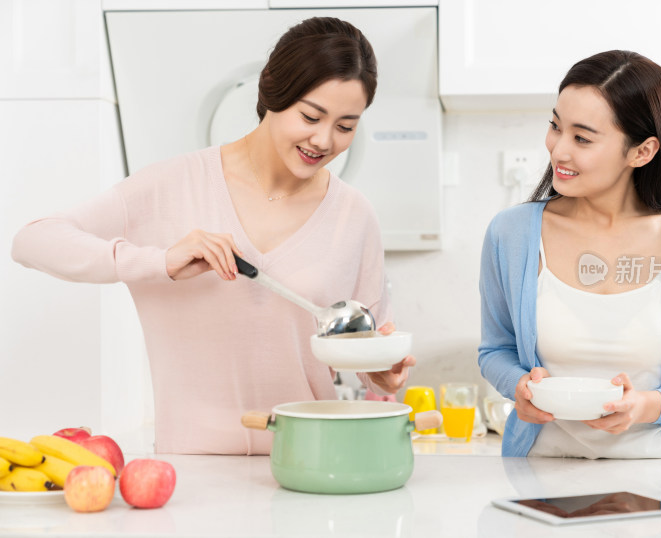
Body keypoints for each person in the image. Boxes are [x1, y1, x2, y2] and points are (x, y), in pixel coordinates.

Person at [11, 17, 414, 455]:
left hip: (313, 460)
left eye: (345, 126)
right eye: (311, 116)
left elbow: (367, 353)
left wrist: (379, 373)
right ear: (271, 91)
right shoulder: (172, 184)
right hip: (190, 471)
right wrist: (158, 262)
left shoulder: (354, 215)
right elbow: (33, 241)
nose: (323, 140)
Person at [478, 50, 661, 459]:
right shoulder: (511, 234)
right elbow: (495, 350)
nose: (558, 150)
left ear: (641, 152)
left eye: (582, 138)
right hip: (540, 483)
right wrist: (519, 385)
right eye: (555, 126)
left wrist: (646, 406)